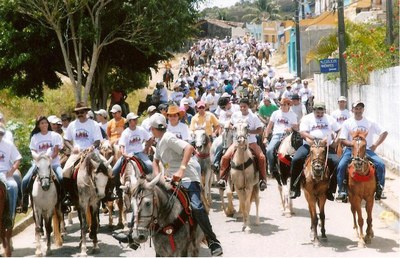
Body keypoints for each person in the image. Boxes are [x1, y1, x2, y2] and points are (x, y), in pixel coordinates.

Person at [151, 113, 222, 256]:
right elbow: (155, 161)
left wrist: (181, 169)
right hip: (171, 181)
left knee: (196, 207)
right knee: (151, 200)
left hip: (188, 178)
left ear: (153, 129)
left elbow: (189, 148)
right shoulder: (159, 142)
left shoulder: (168, 137)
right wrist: (159, 176)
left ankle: (212, 240)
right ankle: (136, 235)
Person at [336, 101, 388, 201]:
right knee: (341, 165)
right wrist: (353, 144)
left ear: (363, 110)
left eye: (360, 108)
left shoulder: (370, 122)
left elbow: (384, 132)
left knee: (380, 164)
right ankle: (341, 190)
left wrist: (375, 145)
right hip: (351, 150)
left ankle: (380, 188)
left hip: (366, 150)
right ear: (352, 110)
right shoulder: (347, 122)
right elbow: (342, 139)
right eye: (356, 108)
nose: (358, 110)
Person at [289, 102, 341, 201]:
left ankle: (331, 189)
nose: (320, 114)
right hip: (309, 145)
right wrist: (310, 138)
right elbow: (302, 132)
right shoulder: (307, 118)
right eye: (318, 112)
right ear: (314, 111)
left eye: (321, 112)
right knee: (296, 159)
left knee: (338, 163)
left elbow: (339, 130)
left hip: (326, 146)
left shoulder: (329, 119)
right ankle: (294, 188)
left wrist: (336, 141)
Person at [19, 116, 67, 213]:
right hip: (38, 164)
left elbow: (56, 152)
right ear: (38, 125)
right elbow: (33, 151)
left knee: (61, 177)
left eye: (45, 123)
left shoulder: (54, 135)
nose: (44, 125)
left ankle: (64, 200)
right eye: (42, 123)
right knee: (25, 180)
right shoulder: (35, 137)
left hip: (53, 163)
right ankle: (24, 203)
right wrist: (37, 157)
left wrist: (49, 159)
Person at [218, 98, 267, 191]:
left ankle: (262, 180)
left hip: (251, 142)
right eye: (241, 107)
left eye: (244, 106)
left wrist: (249, 131)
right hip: (236, 142)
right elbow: (231, 124)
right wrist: (232, 127)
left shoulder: (254, 117)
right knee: (225, 157)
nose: (242, 108)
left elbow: (260, 130)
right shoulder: (235, 115)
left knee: (261, 157)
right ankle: (223, 179)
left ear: (248, 106)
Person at [61, 102, 104, 208]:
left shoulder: (93, 124)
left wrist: (92, 147)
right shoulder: (72, 125)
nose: (80, 114)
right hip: (78, 153)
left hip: (92, 152)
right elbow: (66, 139)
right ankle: (69, 195)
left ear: (86, 112)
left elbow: (98, 140)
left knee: (107, 168)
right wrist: (72, 148)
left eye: (82, 112)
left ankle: (107, 193)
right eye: (78, 112)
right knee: (65, 171)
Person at [112, 112, 153, 200]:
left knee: (150, 166)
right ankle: (113, 191)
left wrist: (146, 148)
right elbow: (122, 146)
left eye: (136, 119)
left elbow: (150, 139)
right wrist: (124, 154)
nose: (136, 120)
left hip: (139, 153)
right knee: (113, 171)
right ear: (129, 121)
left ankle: (152, 186)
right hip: (128, 154)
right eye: (134, 119)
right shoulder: (125, 132)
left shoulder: (141, 130)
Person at [264, 98, 298, 178]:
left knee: (296, 150)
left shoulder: (292, 115)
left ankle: (295, 168)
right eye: (281, 104)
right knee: (269, 150)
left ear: (288, 105)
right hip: (277, 134)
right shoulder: (275, 113)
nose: (282, 106)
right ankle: (272, 168)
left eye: (284, 105)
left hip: (288, 135)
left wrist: (290, 128)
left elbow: (296, 128)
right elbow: (269, 126)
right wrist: (266, 137)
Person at [0, 123, 22, 222]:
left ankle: (11, 215)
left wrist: (12, 170)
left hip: (5, 173)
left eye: (1, 133)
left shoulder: (8, 144)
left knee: (13, 186)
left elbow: (17, 159)